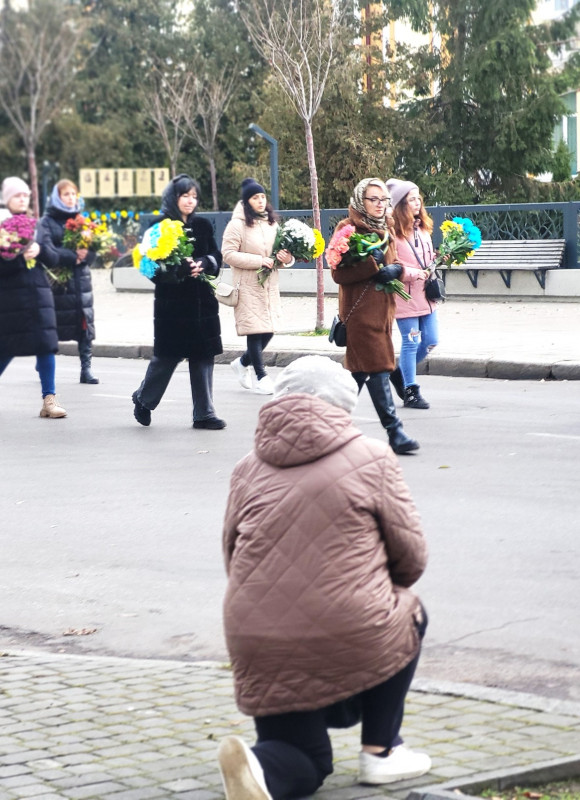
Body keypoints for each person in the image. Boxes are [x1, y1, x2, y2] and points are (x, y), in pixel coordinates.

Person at [217, 355, 431, 800]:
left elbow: (232, 556)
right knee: (410, 611)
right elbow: (411, 560)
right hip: (350, 629)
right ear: (344, 403)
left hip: (256, 636)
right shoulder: (372, 456)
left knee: (304, 758)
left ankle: (259, 766)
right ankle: (382, 751)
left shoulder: (246, 468)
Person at [327, 178, 419, 454]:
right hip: (360, 314)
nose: (380, 205)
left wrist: (395, 271)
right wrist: (371, 265)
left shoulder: (386, 227)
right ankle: (395, 432)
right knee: (379, 368)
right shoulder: (348, 229)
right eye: (373, 200)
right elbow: (337, 273)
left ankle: (329, 429)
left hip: (383, 312)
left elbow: (394, 264)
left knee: (357, 374)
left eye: (384, 200)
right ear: (360, 201)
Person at [131, 175, 225, 429]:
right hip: (172, 305)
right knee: (166, 358)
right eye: (185, 196)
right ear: (173, 198)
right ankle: (143, 400)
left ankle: (204, 414)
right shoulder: (158, 227)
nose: (190, 201)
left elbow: (216, 255)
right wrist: (177, 271)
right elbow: (149, 268)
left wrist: (205, 263)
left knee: (203, 356)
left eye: (194, 197)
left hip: (202, 303)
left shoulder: (203, 226)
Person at [0, 176, 65, 419]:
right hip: (8, 298)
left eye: (25, 195)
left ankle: (49, 400)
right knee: (5, 348)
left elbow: (54, 258)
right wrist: (17, 258)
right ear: (7, 200)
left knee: (46, 345)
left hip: (38, 293)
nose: (23, 199)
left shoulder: (36, 225)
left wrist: (41, 250)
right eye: (17, 196)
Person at [221, 178, 294, 395]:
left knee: (269, 329)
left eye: (262, 196)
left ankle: (242, 363)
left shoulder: (272, 223)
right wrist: (259, 261)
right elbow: (228, 254)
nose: (260, 201)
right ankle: (261, 376)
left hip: (269, 285)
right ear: (246, 201)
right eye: (255, 197)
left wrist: (286, 258)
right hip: (247, 285)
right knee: (255, 331)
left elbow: (280, 255)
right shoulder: (237, 225)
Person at [37, 179, 99, 384]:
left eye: (73, 194)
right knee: (51, 326)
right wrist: (73, 255)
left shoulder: (83, 220)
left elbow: (95, 249)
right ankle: (44, 362)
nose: (71, 198)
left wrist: (86, 255)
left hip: (80, 282)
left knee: (84, 325)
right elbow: (46, 251)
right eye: (66, 194)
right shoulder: (46, 222)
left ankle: (86, 369)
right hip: (57, 284)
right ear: (57, 197)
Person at [386, 179, 439, 410]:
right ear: (400, 204)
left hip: (426, 296)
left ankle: (399, 374)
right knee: (411, 342)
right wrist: (415, 273)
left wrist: (439, 258)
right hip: (405, 297)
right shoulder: (392, 234)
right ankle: (411, 391)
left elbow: (427, 258)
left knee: (431, 341)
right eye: (411, 199)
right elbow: (392, 265)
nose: (417, 203)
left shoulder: (422, 228)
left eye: (418, 198)